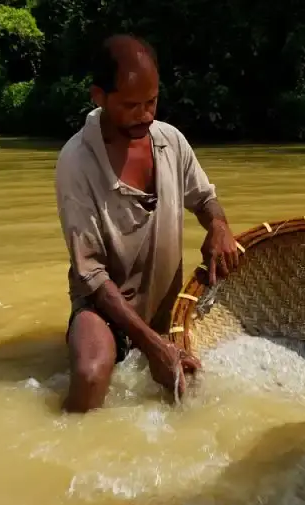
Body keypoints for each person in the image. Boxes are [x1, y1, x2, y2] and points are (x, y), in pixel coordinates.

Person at [54, 35, 240, 413]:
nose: (145, 115)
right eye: (131, 105)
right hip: (106, 307)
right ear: (99, 97)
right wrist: (152, 345)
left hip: (165, 304)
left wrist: (218, 226)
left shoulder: (171, 141)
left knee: (198, 394)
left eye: (152, 102)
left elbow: (205, 199)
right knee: (91, 374)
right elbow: (92, 276)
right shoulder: (75, 163)